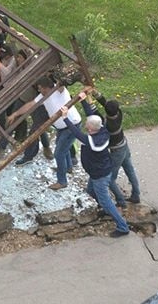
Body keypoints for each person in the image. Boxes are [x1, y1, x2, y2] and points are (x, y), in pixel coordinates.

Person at [59, 96, 130, 238]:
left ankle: (122, 227)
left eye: (87, 125)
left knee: (105, 200)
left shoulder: (90, 140)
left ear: (90, 128)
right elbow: (92, 116)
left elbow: (76, 132)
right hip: (101, 171)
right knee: (90, 190)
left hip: (99, 175)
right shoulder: (103, 130)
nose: (85, 125)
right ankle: (106, 207)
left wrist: (65, 117)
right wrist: (83, 100)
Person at [7, 76, 81, 190]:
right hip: (62, 127)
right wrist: (15, 114)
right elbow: (31, 104)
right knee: (62, 147)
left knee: (59, 153)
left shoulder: (59, 91)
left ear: (45, 87)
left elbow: (62, 84)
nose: (39, 90)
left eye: (40, 88)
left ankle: (62, 181)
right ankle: (67, 167)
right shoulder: (43, 96)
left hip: (71, 126)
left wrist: (61, 78)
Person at [93, 90, 141, 204]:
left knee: (110, 179)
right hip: (124, 145)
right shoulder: (118, 113)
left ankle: (120, 199)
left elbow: (96, 114)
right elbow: (107, 106)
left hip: (116, 151)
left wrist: (89, 101)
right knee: (130, 170)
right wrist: (97, 95)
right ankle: (136, 194)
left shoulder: (108, 125)